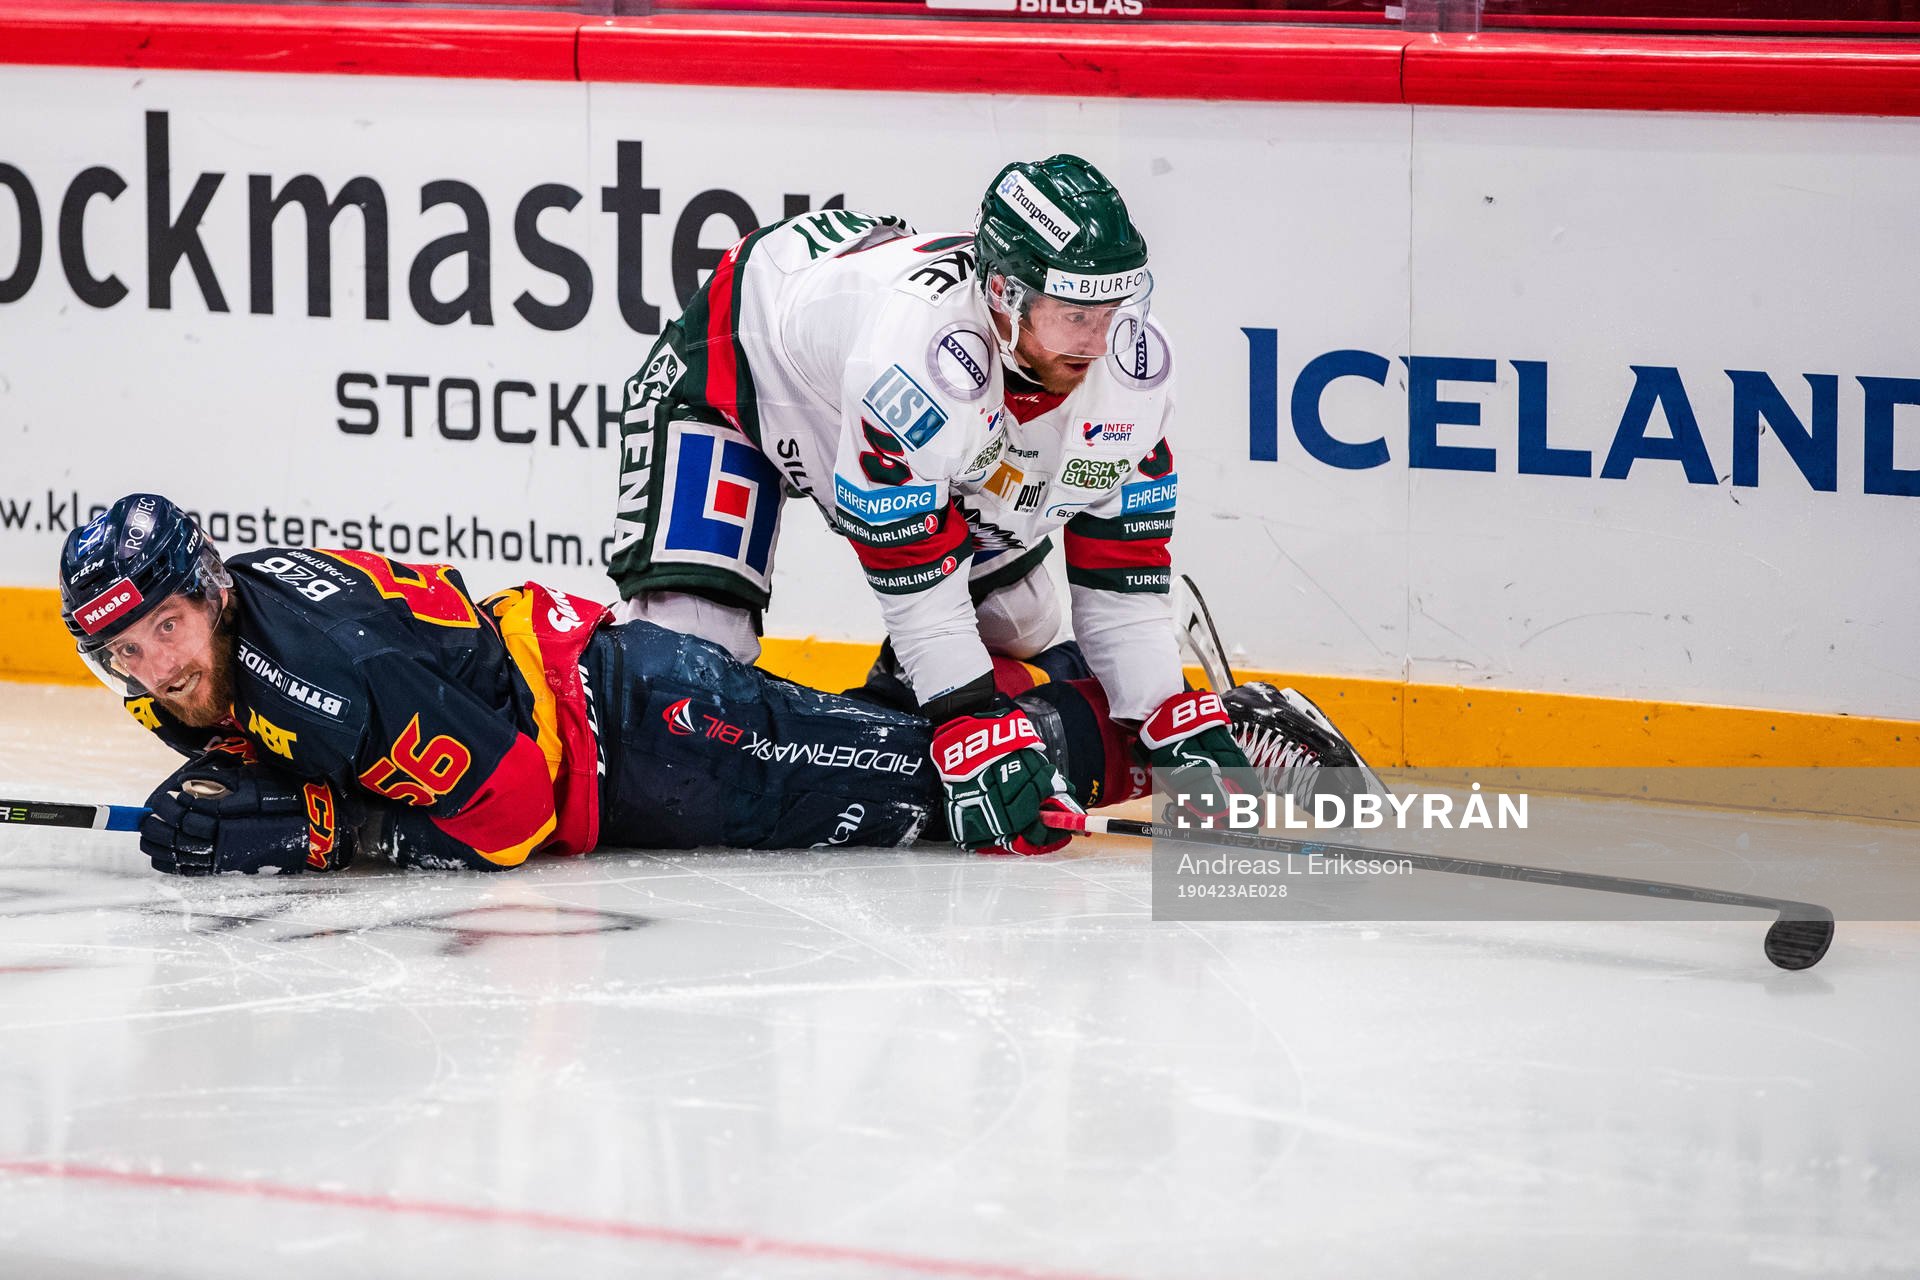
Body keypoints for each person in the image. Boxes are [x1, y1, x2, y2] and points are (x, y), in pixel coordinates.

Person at [59, 495, 1378, 877]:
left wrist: (332, 830)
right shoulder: (229, 639)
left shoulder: (318, 686)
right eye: (126, 654)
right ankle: (1055, 684)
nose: (157, 669)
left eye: (167, 629)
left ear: (212, 594)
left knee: (950, 789)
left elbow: (516, 815)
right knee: (891, 747)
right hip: (618, 707)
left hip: (651, 739)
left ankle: (1170, 729)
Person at [605, 154, 1252, 854]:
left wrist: (1165, 710)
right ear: (1004, 293)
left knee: (1020, 616)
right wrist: (967, 718)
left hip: (869, 363)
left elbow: (1124, 568)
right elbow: (913, 570)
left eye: (1111, 309)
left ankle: (895, 717)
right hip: (737, 365)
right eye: (1074, 315)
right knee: (692, 670)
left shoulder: (1136, 367)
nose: (1099, 342)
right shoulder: (913, 359)